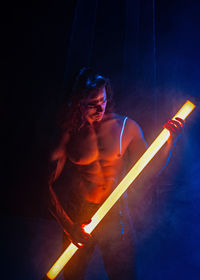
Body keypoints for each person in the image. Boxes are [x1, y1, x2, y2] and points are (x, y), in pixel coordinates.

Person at [48, 68, 184, 280]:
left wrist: (169, 143)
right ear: (78, 103)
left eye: (102, 100)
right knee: (73, 275)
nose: (99, 107)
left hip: (115, 215)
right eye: (91, 103)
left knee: (124, 275)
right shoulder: (69, 133)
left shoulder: (125, 127)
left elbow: (149, 169)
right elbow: (44, 184)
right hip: (79, 216)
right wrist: (68, 226)